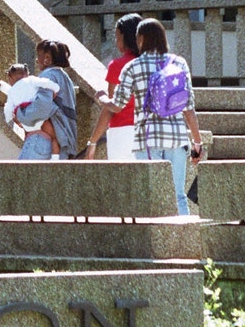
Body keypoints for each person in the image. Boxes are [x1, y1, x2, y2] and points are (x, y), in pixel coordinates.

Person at [85, 18, 204, 215]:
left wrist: (101, 98)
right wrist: (197, 142)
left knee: (154, 196)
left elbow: (116, 105)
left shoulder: (133, 67)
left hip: (147, 139)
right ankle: (183, 239)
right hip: (177, 138)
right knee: (178, 195)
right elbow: (188, 107)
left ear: (140, 39)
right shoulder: (179, 62)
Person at [15, 39, 78, 160]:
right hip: (62, 143)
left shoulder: (47, 76)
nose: (36, 59)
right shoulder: (65, 78)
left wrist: (20, 114)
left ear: (47, 58)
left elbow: (42, 107)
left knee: (20, 178)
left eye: (39, 55)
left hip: (43, 140)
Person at [91, 13, 142, 160]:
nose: (116, 41)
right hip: (149, 132)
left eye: (117, 36)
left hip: (122, 132)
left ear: (126, 37)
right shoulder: (152, 65)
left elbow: (111, 107)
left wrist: (93, 141)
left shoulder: (118, 65)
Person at [1, 63, 61, 159]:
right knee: (54, 139)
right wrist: (55, 89)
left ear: (10, 78)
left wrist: (12, 119)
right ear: (27, 73)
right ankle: (55, 161)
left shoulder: (12, 91)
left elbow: (8, 110)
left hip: (28, 125)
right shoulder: (32, 80)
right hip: (41, 121)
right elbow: (46, 83)